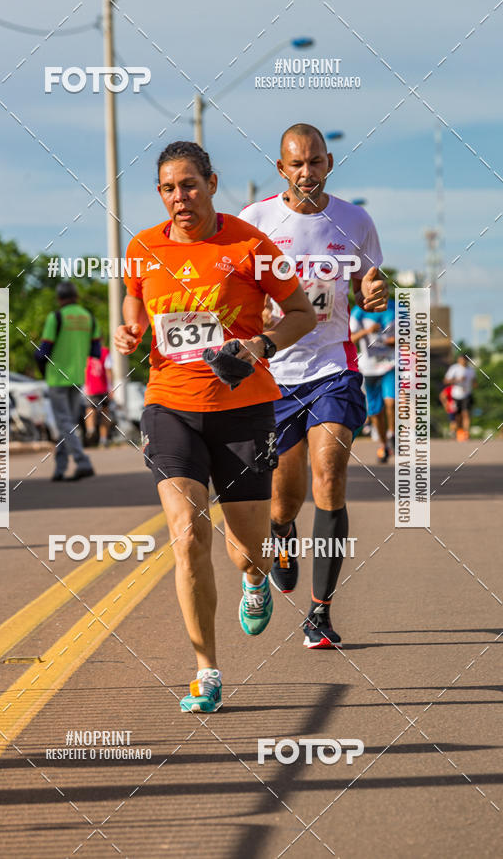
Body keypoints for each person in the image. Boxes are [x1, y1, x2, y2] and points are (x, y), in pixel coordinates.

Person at [114, 140, 316, 713]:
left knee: (244, 548)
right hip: (169, 405)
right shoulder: (142, 248)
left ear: (211, 183)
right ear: (160, 195)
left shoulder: (251, 245)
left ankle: (256, 576)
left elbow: (302, 312)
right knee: (186, 534)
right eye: (169, 188)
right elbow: (134, 304)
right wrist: (130, 332)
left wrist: (261, 344)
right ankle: (206, 670)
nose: (180, 197)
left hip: (243, 408)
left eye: (190, 185)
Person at [239, 123, 389, 648]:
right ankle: (281, 534)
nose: (307, 172)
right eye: (296, 164)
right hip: (275, 375)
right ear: (281, 169)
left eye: (316, 162)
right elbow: (230, 290)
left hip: (333, 365)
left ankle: (320, 614)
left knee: (330, 475)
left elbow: (371, 279)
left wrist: (374, 290)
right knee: (283, 499)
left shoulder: (354, 220)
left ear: (329, 164)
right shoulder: (253, 223)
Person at [35, 281, 100, 481]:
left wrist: (42, 370)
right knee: (68, 424)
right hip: (77, 378)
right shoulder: (89, 318)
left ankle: (83, 462)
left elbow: (43, 352)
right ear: (76, 297)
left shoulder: (56, 317)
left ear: (59, 299)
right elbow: (95, 351)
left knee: (64, 423)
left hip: (57, 376)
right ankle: (60, 468)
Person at [350, 297, 396, 463]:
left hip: (390, 363)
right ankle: (383, 445)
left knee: (391, 402)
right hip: (369, 367)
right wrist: (367, 332)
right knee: (375, 411)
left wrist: (393, 341)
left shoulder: (395, 308)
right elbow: (351, 339)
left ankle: (392, 434)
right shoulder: (358, 311)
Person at [84, 349, 113, 446]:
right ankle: (103, 438)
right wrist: (110, 387)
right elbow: (108, 370)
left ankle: (90, 429)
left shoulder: (86, 351)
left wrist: (84, 386)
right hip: (103, 387)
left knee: (90, 408)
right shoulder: (105, 352)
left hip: (91, 387)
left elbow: (83, 369)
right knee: (104, 412)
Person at [444, 353, 476, 441]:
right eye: (461, 360)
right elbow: (446, 381)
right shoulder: (454, 368)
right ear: (459, 360)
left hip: (467, 394)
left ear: (467, 361)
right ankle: (459, 431)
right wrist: (457, 380)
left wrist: (474, 384)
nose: (462, 362)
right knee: (457, 416)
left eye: (464, 360)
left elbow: (474, 382)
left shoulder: (471, 370)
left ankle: (466, 433)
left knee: (466, 414)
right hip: (456, 395)